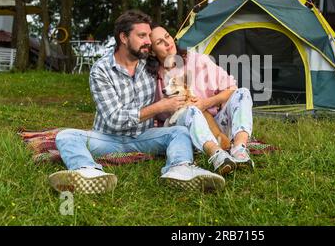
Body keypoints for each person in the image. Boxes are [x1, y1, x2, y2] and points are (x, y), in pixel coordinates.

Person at [48, 10, 225, 194]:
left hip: (144, 137)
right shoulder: (101, 70)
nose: (148, 41)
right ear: (123, 37)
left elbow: (177, 74)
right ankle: (87, 171)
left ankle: (180, 169)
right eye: (142, 36)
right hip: (108, 138)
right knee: (65, 136)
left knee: (180, 132)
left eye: (148, 36)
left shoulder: (150, 65)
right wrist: (160, 106)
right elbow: (114, 119)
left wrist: (191, 97)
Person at [147, 25, 254, 176]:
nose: (167, 42)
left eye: (167, 36)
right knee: (191, 110)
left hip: (216, 124)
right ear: (151, 51)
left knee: (243, 93)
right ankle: (216, 155)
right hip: (186, 131)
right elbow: (155, 117)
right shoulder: (152, 77)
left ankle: (239, 149)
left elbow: (231, 89)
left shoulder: (198, 61)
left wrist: (206, 103)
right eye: (159, 42)